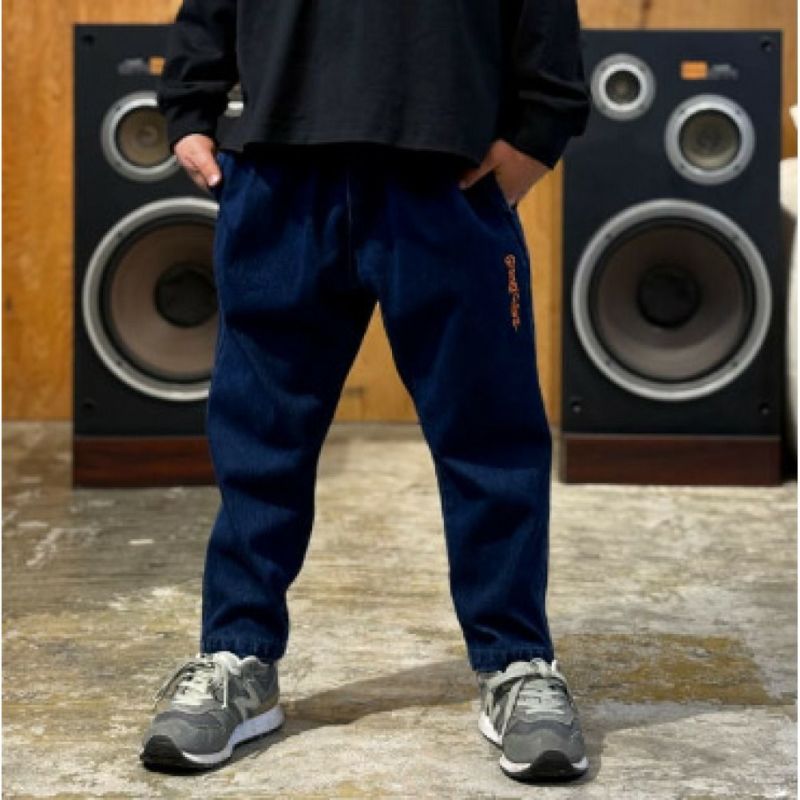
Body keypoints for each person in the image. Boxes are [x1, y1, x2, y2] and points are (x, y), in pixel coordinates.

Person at [140, 0, 591, 783]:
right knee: (259, 440)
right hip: (281, 172)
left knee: (491, 435)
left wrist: (538, 132)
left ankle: (518, 662)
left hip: (446, 178)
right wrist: (188, 107)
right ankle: (237, 655)